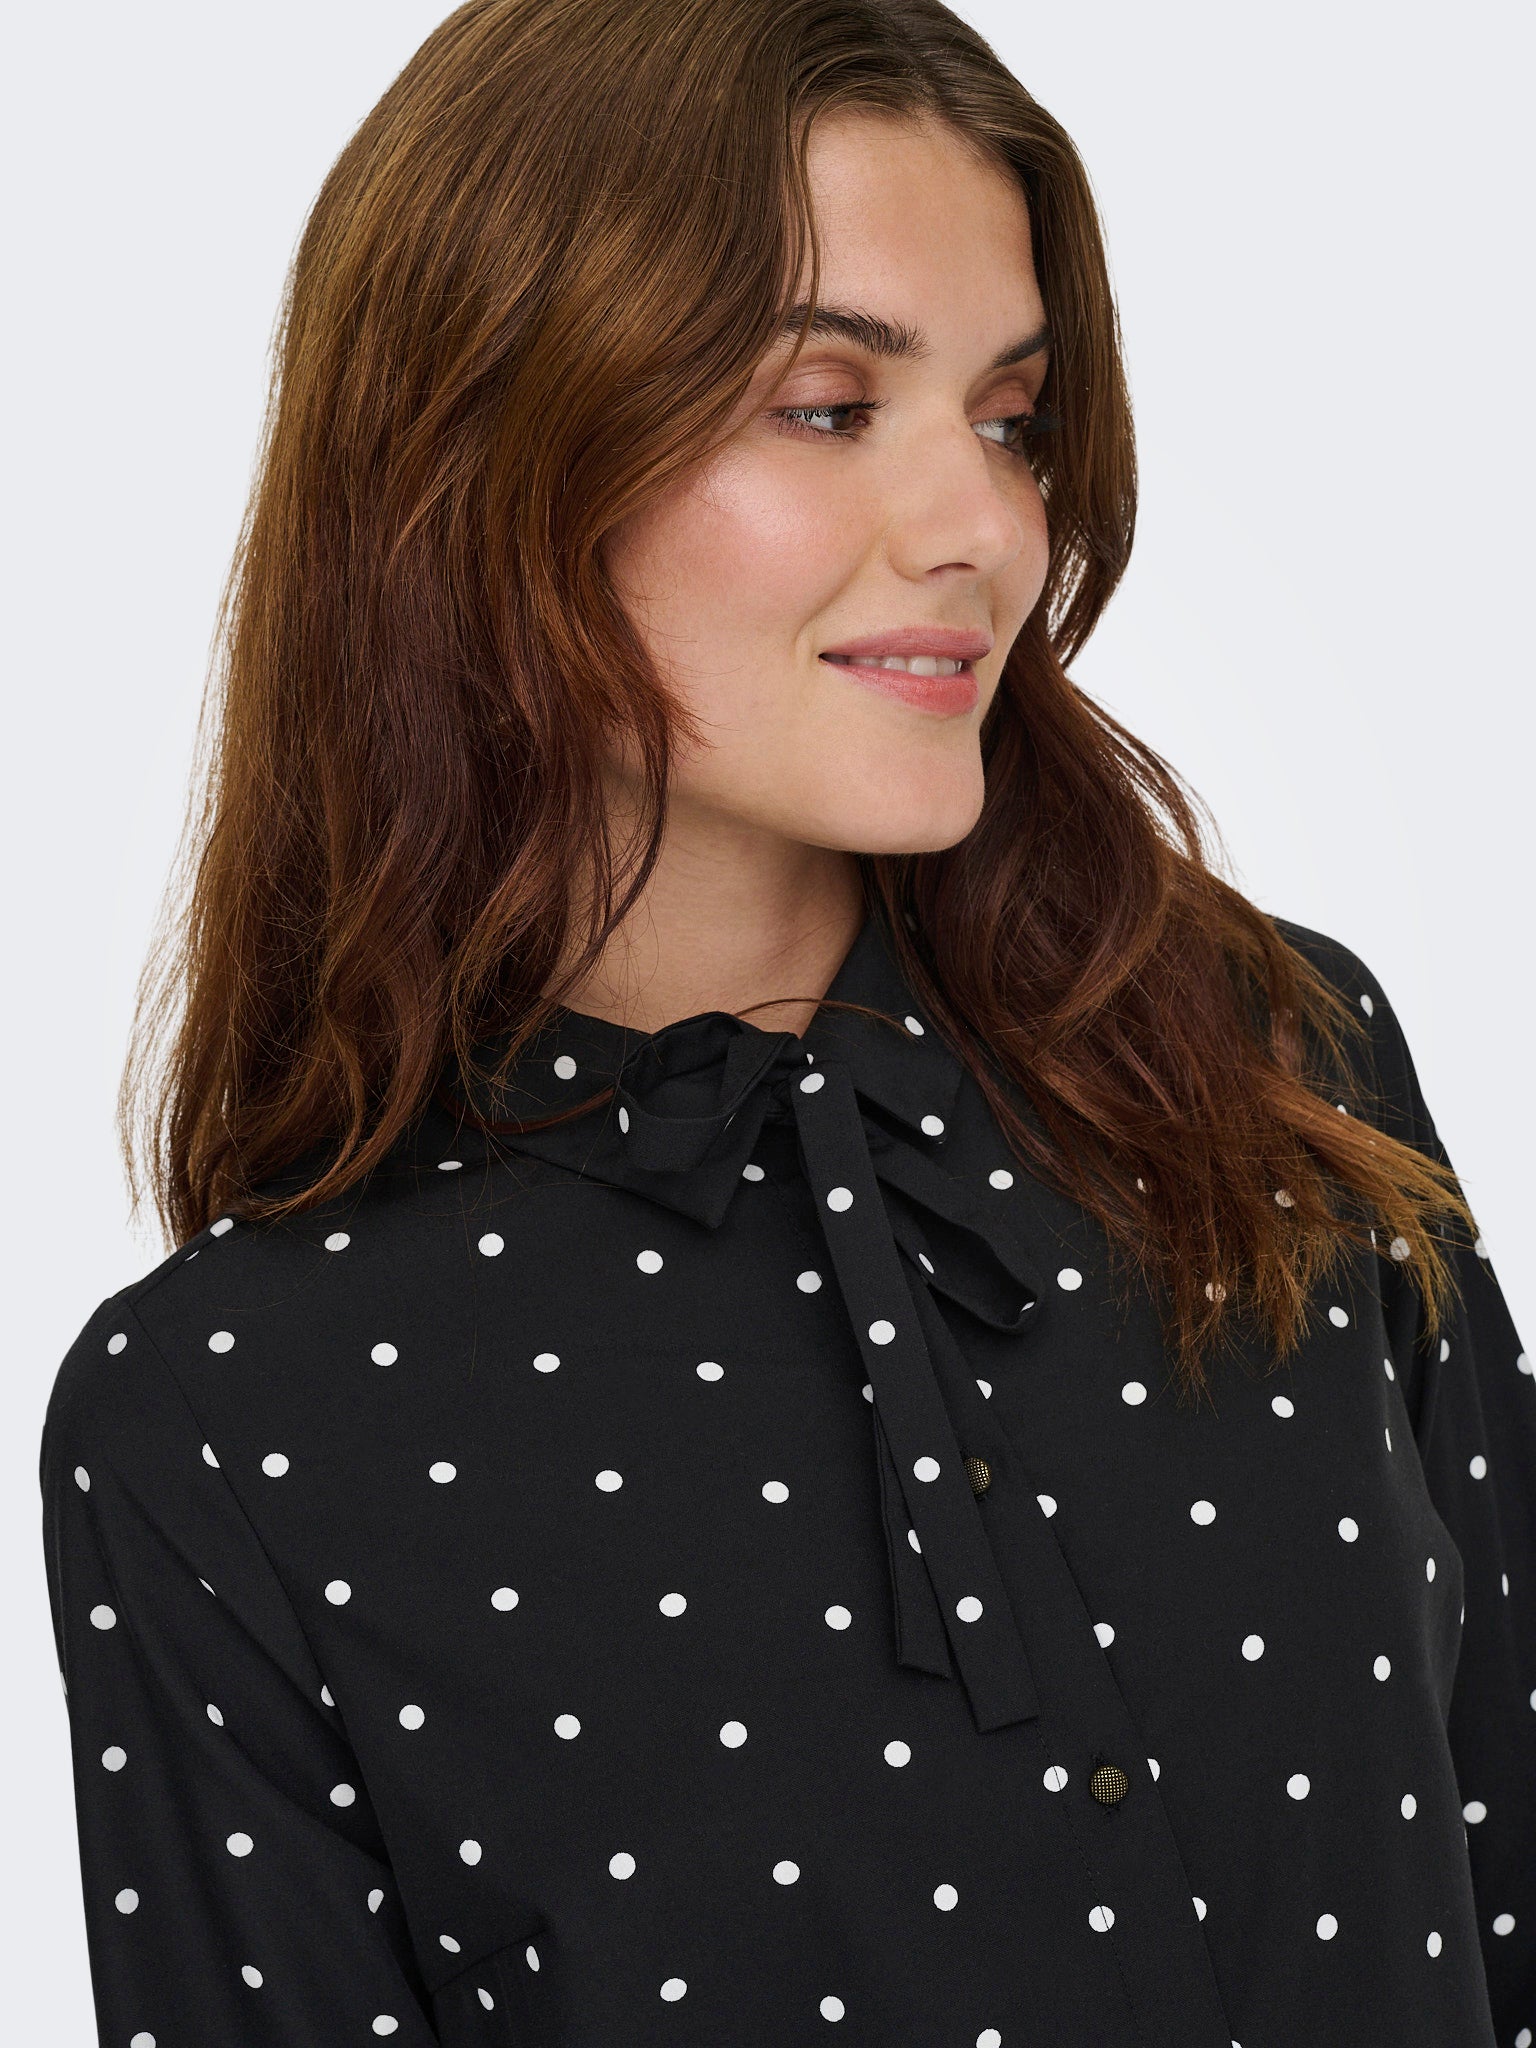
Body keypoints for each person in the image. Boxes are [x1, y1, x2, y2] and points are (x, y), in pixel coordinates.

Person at [38, 0, 1534, 2043]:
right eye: (828, 406)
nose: (985, 527)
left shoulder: (1271, 1058)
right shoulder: (234, 1419)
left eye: (1010, 419)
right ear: (487, 461)